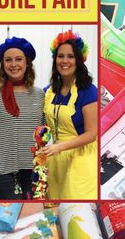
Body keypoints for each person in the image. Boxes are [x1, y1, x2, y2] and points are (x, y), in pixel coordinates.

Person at [42, 30, 98, 199]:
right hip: (55, 158)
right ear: (55, 59)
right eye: (60, 56)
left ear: (79, 60)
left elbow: (92, 134)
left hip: (80, 157)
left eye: (70, 56)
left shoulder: (87, 91)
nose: (64, 61)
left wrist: (60, 147)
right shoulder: (49, 91)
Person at [0, 36, 44, 200]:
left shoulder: (39, 94)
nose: (13, 64)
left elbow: (43, 131)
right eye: (8, 60)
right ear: (2, 64)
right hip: (2, 171)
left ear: (27, 62)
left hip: (31, 171)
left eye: (19, 59)